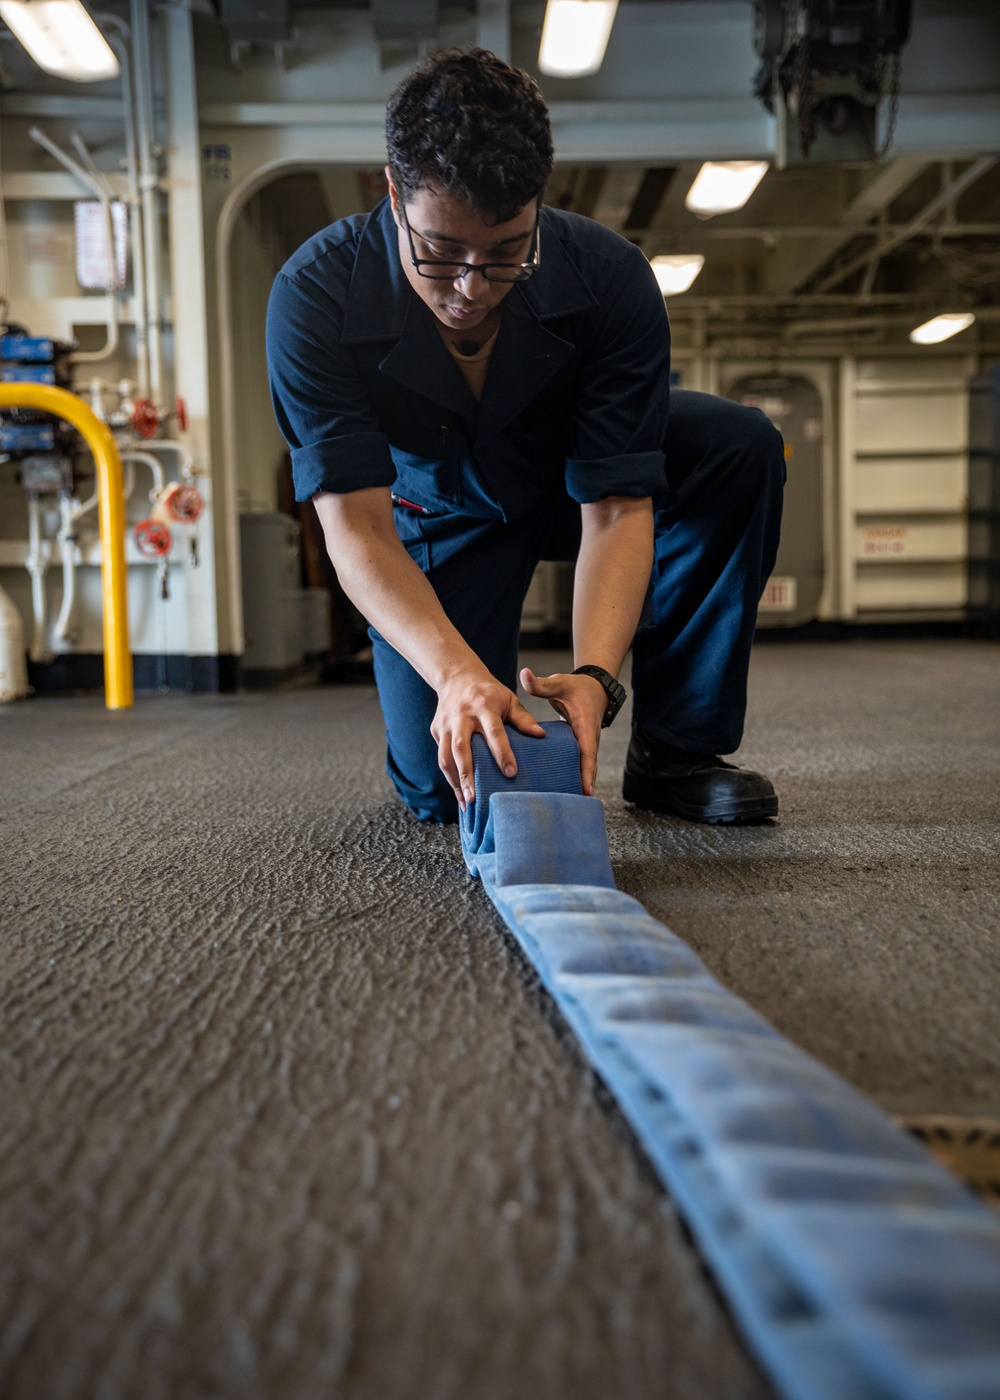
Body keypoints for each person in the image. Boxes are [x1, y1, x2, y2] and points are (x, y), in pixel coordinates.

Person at [266, 47, 784, 826]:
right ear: (393, 191)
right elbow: (358, 530)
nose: (470, 289)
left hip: (567, 484)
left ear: (538, 203)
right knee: (447, 788)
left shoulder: (609, 279)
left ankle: (676, 751)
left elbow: (615, 507)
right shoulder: (315, 295)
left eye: (505, 252)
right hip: (434, 520)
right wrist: (455, 674)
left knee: (737, 443)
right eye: (440, 254)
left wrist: (595, 676)